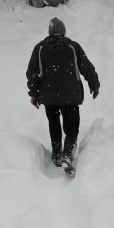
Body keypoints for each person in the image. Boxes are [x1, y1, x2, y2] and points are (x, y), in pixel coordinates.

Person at [26, 17, 100, 166]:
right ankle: (68, 150)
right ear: (63, 32)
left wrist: (34, 94)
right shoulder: (73, 47)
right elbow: (87, 67)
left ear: (50, 32)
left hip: (49, 96)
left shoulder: (40, 48)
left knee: (53, 123)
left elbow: (32, 73)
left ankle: (57, 152)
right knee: (72, 126)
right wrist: (94, 84)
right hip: (70, 95)